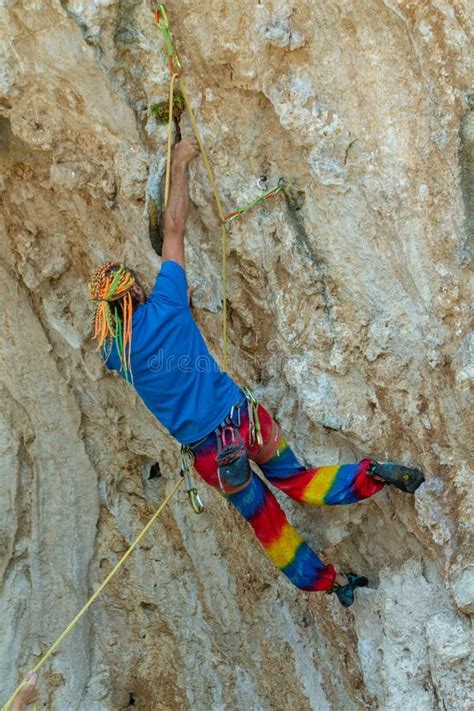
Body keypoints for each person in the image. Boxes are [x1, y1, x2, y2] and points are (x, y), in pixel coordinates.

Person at [88, 137, 425, 607]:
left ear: (109, 315)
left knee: (270, 527)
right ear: (138, 289)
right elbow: (174, 229)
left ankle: (332, 583)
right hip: (245, 420)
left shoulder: (117, 354)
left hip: (214, 458)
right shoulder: (167, 300)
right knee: (299, 482)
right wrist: (180, 162)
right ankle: (372, 474)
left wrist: (109, 311)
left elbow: (104, 337)